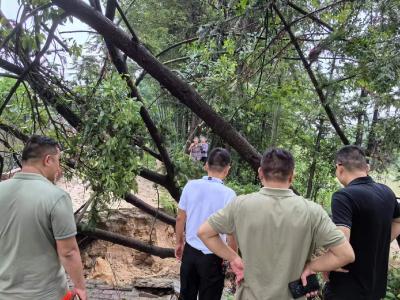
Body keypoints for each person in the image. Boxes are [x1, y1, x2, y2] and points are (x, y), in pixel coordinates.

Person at [198, 148, 355, 300]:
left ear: (260, 173)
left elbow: (204, 232)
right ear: (292, 176)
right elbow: (345, 254)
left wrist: (233, 258)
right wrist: (312, 267)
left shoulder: (241, 205)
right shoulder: (312, 211)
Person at [0, 135, 87, 300]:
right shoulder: (56, 197)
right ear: (48, 160)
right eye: (58, 161)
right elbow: (68, 252)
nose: (59, 169)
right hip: (46, 294)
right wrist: (80, 287)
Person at [323, 145, 400, 300]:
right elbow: (398, 222)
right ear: (367, 168)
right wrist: (380, 242)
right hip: (375, 288)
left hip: (346, 290)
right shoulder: (387, 192)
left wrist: (325, 264)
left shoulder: (343, 196)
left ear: (339, 167)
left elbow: (341, 245)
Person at [175, 148, 237, 300]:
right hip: (213, 257)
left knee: (186, 296)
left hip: (190, 252)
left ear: (206, 165)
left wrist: (179, 243)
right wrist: (231, 256)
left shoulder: (190, 186)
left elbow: (180, 218)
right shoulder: (229, 194)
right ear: (227, 169)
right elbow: (231, 232)